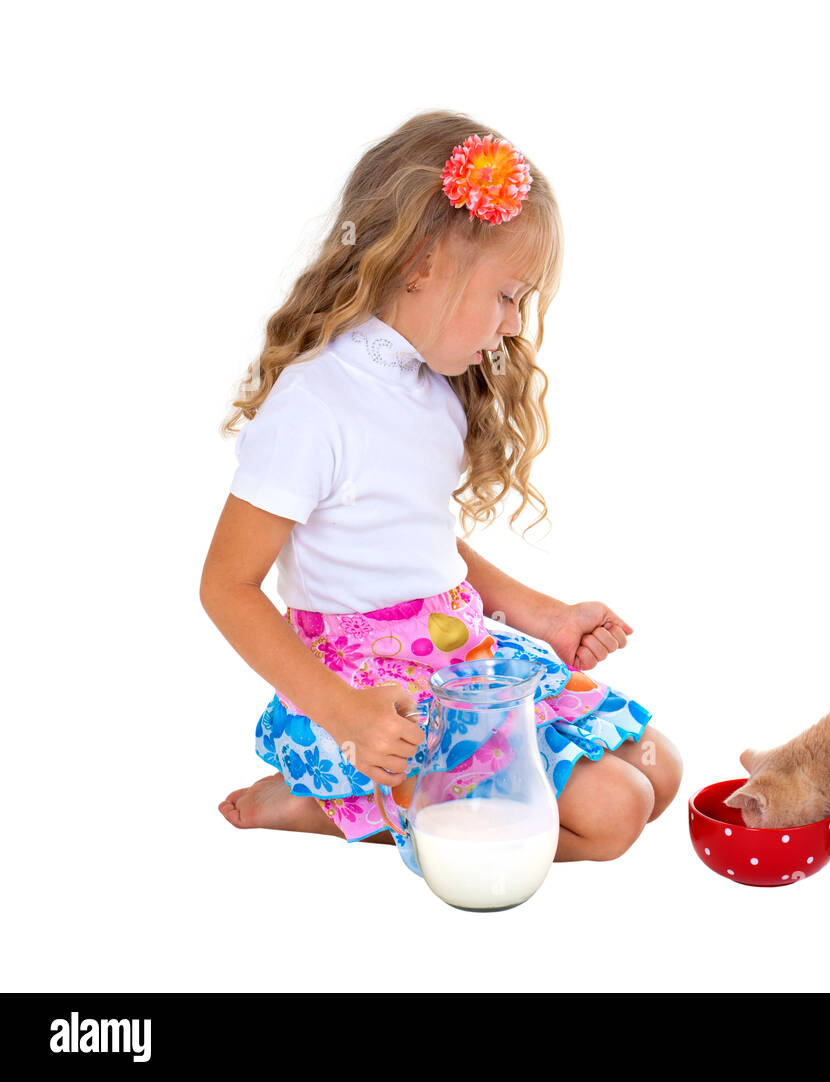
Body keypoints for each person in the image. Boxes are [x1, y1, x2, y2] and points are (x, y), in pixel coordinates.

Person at [200, 110, 681, 876]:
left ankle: (357, 807)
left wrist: (541, 614)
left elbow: (420, 542)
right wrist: (344, 713)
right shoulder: (313, 405)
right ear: (422, 261)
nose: (514, 323)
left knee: (660, 773)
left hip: (457, 644)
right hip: (376, 686)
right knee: (616, 815)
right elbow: (226, 587)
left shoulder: (431, 390)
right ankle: (331, 808)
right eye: (506, 295)